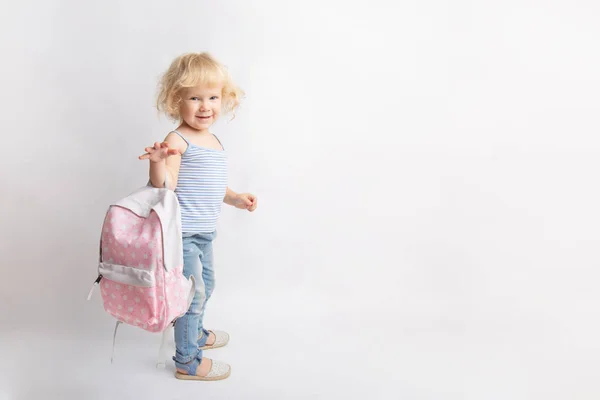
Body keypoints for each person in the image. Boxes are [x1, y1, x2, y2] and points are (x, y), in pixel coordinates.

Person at [139, 52, 257, 381]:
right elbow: (165, 185)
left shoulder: (213, 140)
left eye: (213, 97)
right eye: (195, 98)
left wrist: (235, 198)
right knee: (193, 294)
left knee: (208, 285)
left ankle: (195, 332)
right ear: (176, 100)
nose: (205, 106)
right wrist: (158, 161)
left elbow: (212, 186)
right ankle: (187, 360)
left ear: (224, 99)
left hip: (205, 234)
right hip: (182, 235)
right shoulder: (177, 140)